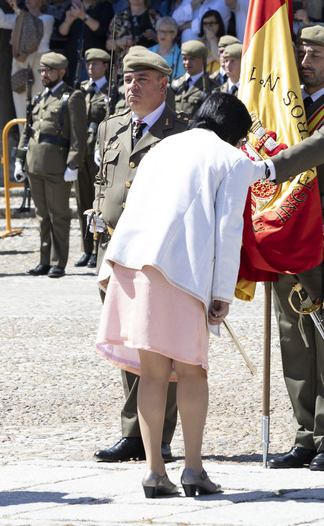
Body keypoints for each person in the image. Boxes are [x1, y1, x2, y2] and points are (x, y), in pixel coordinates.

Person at [97, 93, 261, 498]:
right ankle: (193, 469)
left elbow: (133, 206)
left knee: (151, 374)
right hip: (182, 271)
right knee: (191, 372)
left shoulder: (161, 146)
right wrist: (223, 291)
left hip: (132, 264)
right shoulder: (233, 159)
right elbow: (228, 230)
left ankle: (154, 471)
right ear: (235, 133)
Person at [258, 25, 324, 473]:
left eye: (317, 55)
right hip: (287, 223)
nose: (305, 61)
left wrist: (268, 166)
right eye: (302, 53)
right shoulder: (287, 107)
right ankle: (304, 433)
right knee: (294, 335)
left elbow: (319, 148)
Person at [90, 50, 187, 464]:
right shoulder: (111, 127)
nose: (132, 87)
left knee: (156, 346)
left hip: (153, 254)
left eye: (142, 80)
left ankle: (157, 436)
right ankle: (134, 433)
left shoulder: (180, 132)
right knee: (125, 345)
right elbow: (102, 180)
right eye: (128, 80)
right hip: (112, 249)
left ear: (164, 83)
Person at [12, 52, 87, 278]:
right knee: (42, 215)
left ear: (61, 72)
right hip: (35, 164)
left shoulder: (71, 97)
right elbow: (28, 130)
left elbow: (78, 135)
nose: (44, 75)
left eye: (49, 71)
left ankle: (58, 262)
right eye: (42, 70)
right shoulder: (39, 97)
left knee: (58, 215)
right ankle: (44, 260)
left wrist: (73, 163)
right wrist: (19, 160)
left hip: (57, 165)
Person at [0, 0, 54, 121]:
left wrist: (17, 9)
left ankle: (38, 141)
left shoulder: (48, 18)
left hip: (39, 64)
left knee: (39, 106)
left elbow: (35, 26)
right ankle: (23, 140)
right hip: (20, 64)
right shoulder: (19, 18)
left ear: (42, 1)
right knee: (21, 108)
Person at [74, 48, 110, 269]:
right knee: (82, 202)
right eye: (88, 64)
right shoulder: (82, 90)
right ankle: (87, 249)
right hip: (81, 152)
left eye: (96, 64)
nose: (91, 67)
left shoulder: (111, 91)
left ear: (105, 66)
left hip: (99, 153)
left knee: (100, 203)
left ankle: (99, 248)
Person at [59, 0, 114, 80]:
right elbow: (61, 33)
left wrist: (84, 16)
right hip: (72, 59)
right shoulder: (72, 7)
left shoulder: (105, 6)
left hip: (93, 61)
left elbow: (102, 30)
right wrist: (68, 21)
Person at [107, 0, 161, 74]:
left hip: (150, 67)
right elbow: (108, 44)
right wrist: (119, 41)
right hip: (124, 68)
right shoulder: (119, 17)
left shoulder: (155, 16)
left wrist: (156, 37)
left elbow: (168, 40)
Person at [171, 40, 215, 122]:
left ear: (204, 60)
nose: (187, 63)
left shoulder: (211, 86)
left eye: (192, 59)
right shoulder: (175, 83)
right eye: (184, 59)